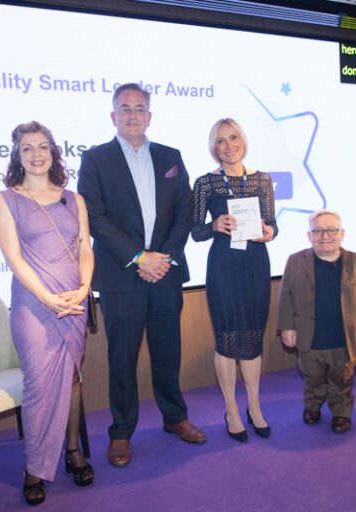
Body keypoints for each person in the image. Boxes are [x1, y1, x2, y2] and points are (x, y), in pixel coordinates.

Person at [77, 83, 206, 468]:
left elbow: (185, 210)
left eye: (139, 108)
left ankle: (175, 417)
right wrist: (138, 257)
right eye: (124, 108)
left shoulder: (171, 156)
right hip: (121, 277)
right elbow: (94, 217)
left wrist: (162, 257)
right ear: (113, 115)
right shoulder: (95, 159)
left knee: (168, 352)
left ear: (149, 115)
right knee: (122, 359)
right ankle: (121, 431)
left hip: (165, 271)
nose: (133, 115)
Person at [0, 121, 94, 505]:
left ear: (53, 153)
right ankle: (34, 467)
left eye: (43, 147)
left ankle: (72, 450)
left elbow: (85, 248)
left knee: (72, 381)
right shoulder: (6, 200)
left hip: (74, 301)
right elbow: (13, 258)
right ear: (17, 156)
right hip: (34, 307)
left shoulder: (74, 199)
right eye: (27, 148)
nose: (36, 155)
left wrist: (84, 289)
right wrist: (49, 299)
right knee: (38, 387)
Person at [191, 118, 277, 442]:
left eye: (233, 138)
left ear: (242, 140)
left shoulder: (263, 180)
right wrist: (214, 226)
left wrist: (269, 232)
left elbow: (271, 223)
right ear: (214, 148)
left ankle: (255, 406)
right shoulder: (205, 184)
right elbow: (195, 230)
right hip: (223, 269)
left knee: (253, 338)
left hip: (255, 265)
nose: (229, 145)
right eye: (221, 141)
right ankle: (231, 409)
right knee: (228, 339)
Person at [277, 209, 356, 433]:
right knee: (313, 376)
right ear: (309, 235)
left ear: (342, 233)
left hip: (343, 336)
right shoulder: (295, 261)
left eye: (331, 230)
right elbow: (286, 296)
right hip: (309, 335)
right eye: (318, 231)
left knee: (342, 378)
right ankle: (312, 406)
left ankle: (341, 413)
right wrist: (287, 328)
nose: (325, 236)